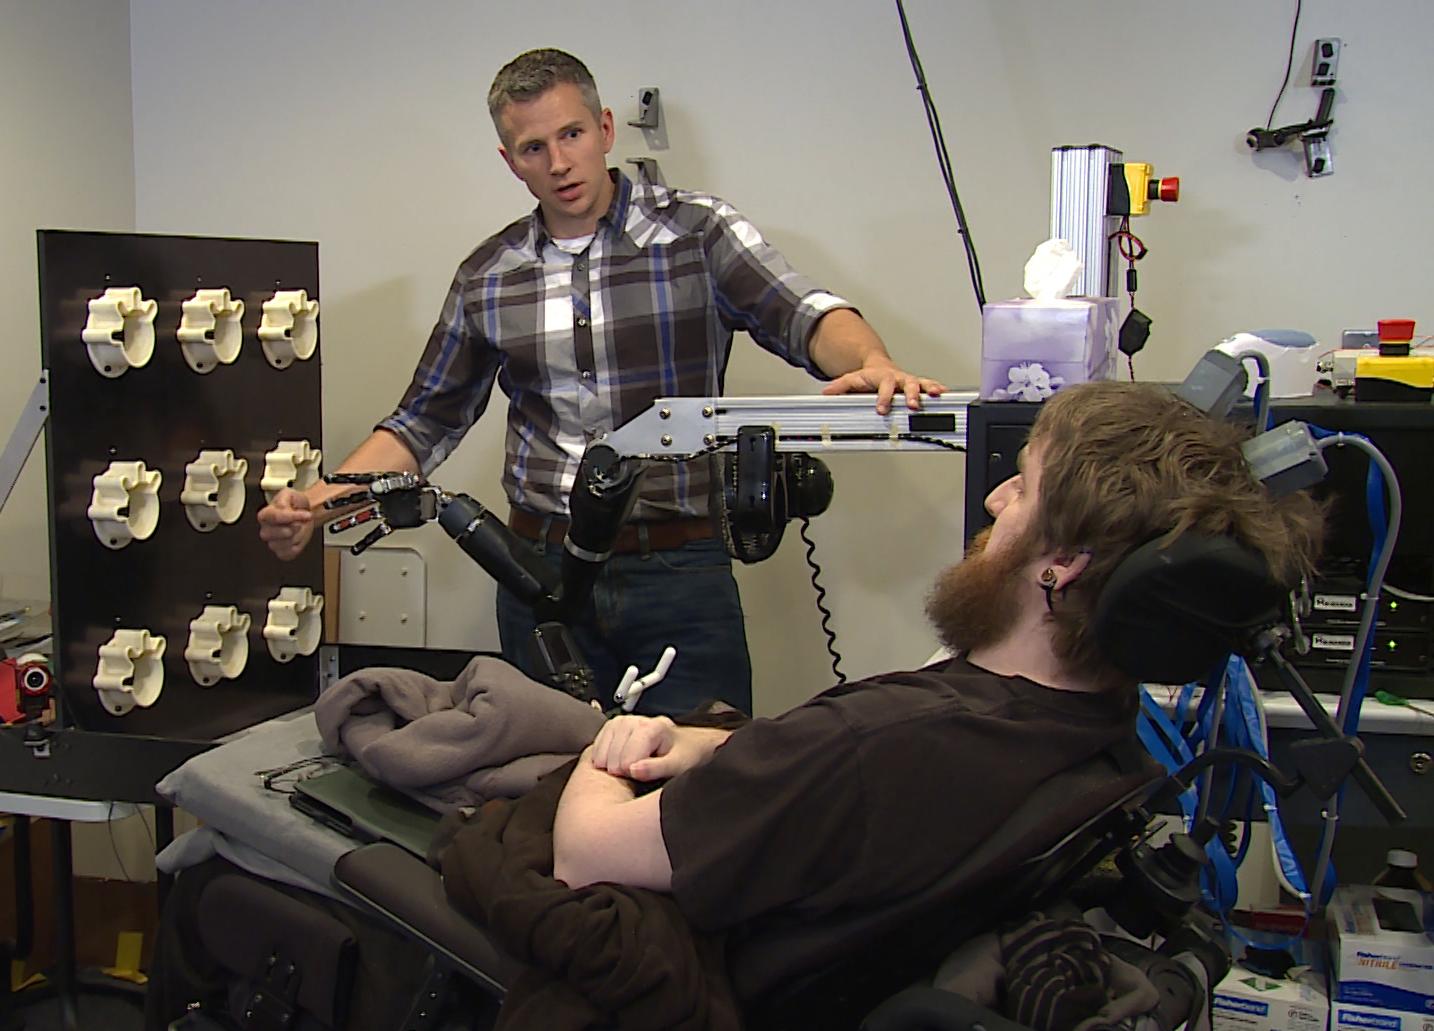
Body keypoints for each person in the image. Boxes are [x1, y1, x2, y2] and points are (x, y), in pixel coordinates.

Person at [257, 48, 945, 717]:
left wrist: (871, 363)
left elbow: (804, 314)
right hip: (537, 576)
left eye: (572, 134)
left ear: (605, 129)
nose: (558, 163)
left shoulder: (697, 234)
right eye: (533, 148)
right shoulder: (489, 275)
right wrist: (319, 503)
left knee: (698, 794)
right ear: (509, 161)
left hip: (677, 573)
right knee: (547, 799)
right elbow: (422, 422)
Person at [549, 380, 1326, 931]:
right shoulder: (1092, 725)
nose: (994, 500)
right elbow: (815, 781)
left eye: (1020, 489)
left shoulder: (879, 746)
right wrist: (709, 745)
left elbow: (586, 856)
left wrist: (604, 748)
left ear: (1063, 566)